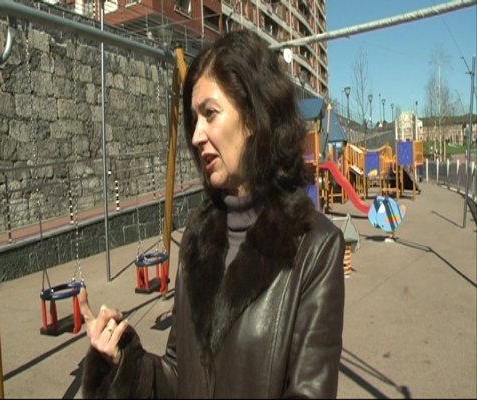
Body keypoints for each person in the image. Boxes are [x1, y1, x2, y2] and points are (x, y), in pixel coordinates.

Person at [80, 29, 345, 398]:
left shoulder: (315, 248)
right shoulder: (198, 236)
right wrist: (124, 361)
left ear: (254, 118)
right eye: (195, 118)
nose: (195, 135)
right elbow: (179, 372)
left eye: (210, 113)